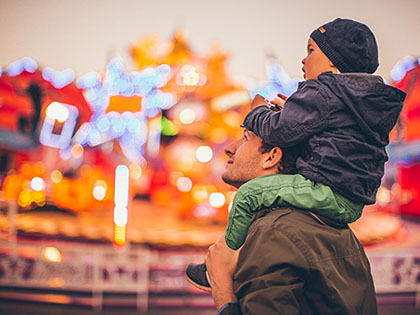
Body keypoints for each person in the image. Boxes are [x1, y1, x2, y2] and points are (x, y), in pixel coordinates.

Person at [186, 17, 406, 291]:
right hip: (353, 200)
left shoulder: (322, 92)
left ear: (333, 63)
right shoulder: (363, 102)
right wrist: (296, 109)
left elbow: (279, 132)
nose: (304, 60)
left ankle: (220, 265)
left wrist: (257, 113)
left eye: (311, 50)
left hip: (325, 188)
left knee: (249, 194)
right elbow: (335, 133)